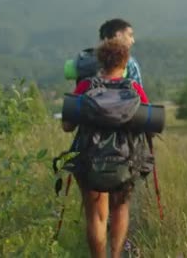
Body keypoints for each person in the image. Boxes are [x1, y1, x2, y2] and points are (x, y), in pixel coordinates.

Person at [62, 39, 150, 258]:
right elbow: (149, 124)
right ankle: (117, 254)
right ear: (125, 62)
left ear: (100, 60)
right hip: (125, 162)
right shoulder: (134, 89)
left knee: (96, 217)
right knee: (120, 210)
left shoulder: (85, 86)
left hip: (90, 159)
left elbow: (67, 126)